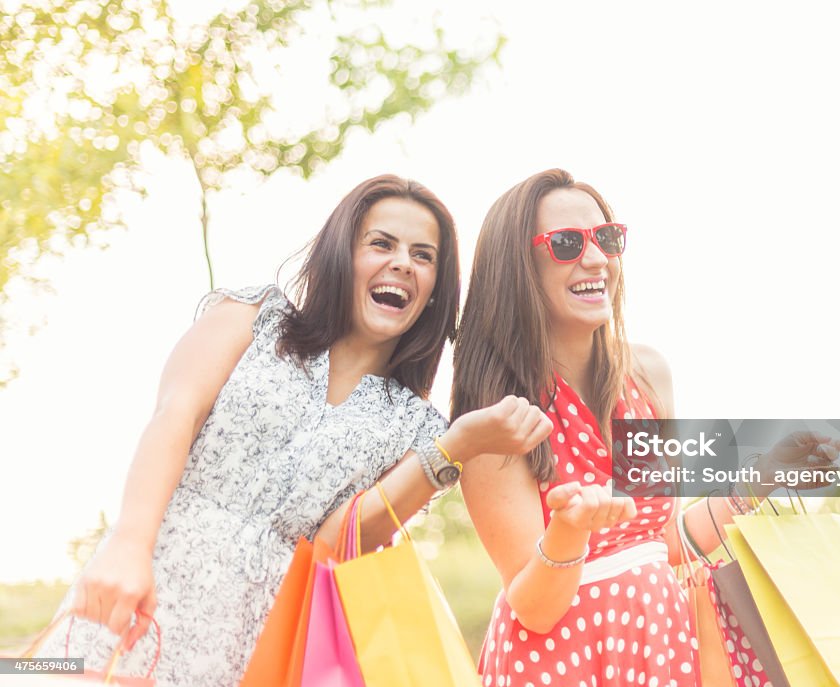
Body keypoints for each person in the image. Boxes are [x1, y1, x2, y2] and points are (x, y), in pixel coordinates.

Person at [39, 174, 552, 687]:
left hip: (260, 646)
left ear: (436, 289)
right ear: (341, 254)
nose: (401, 262)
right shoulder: (252, 317)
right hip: (139, 587)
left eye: (423, 256)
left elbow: (340, 540)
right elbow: (175, 415)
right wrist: (130, 543)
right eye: (381, 243)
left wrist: (455, 447)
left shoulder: (415, 428)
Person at [452, 168, 840, 687]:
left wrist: (762, 479)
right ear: (516, 268)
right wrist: (569, 532)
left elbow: (662, 540)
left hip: (661, 644)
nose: (596, 259)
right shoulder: (494, 414)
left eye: (606, 239)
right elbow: (535, 609)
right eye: (567, 243)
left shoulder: (648, 376)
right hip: (562, 663)